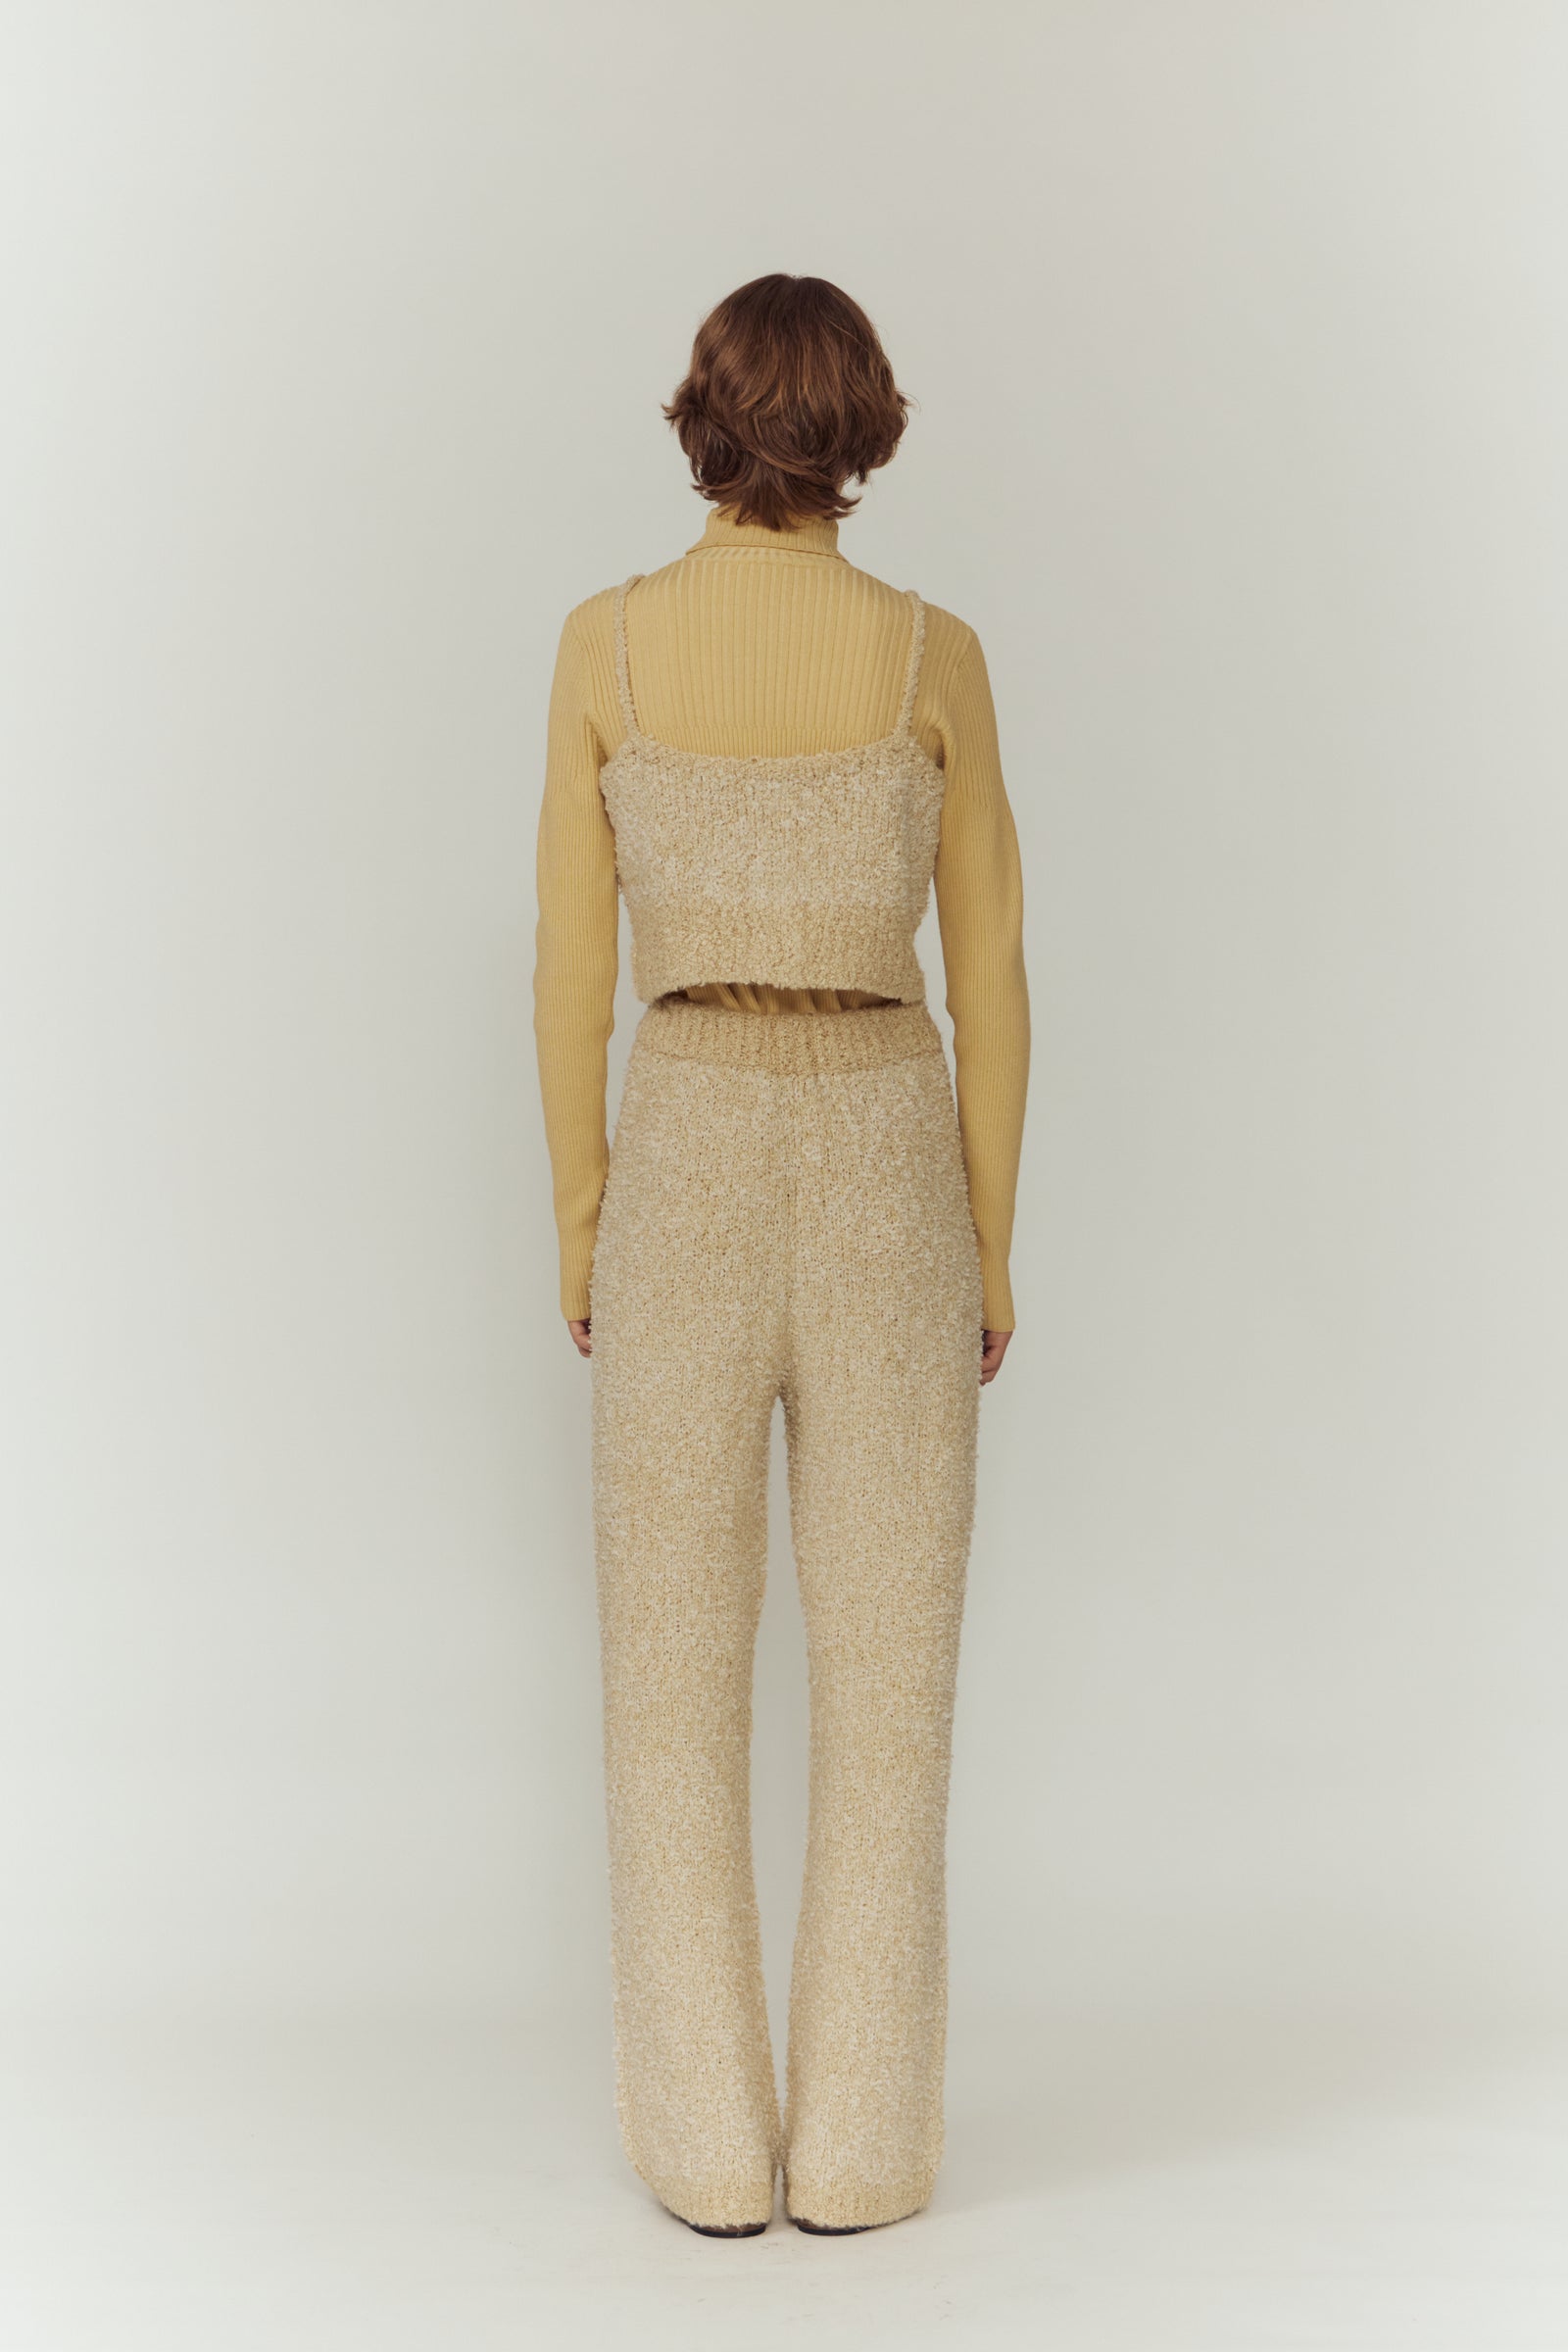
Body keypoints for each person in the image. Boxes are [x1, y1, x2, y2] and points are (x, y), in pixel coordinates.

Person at [532, 273, 1030, 2237]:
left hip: (683, 1135)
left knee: (667, 1674)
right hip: (891, 1136)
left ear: (703, 420)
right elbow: (990, 972)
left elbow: (571, 969)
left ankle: (701, 2146)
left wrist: (582, 1218)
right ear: (866, 428)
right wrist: (992, 1243)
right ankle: (863, 2149)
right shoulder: (931, 652)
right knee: (891, 1678)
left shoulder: (605, 645)